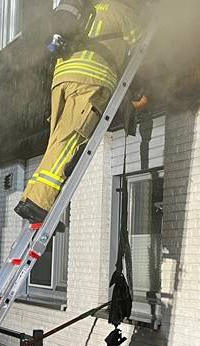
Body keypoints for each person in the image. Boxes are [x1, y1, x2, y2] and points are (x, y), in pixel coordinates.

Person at [14, 0, 148, 223]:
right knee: (70, 139)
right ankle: (39, 203)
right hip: (90, 79)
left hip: (62, 77)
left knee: (57, 141)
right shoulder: (121, 10)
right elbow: (141, 46)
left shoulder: (90, 9)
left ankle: (32, 197)